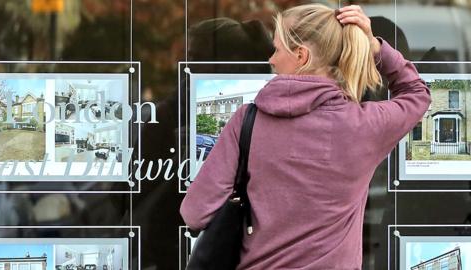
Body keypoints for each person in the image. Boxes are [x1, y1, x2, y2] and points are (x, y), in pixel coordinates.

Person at [181, 4, 431, 270]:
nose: (271, 59)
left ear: (301, 56)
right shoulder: (364, 125)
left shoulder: (248, 121)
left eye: (277, 49)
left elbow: (195, 213)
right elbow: (417, 93)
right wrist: (375, 47)